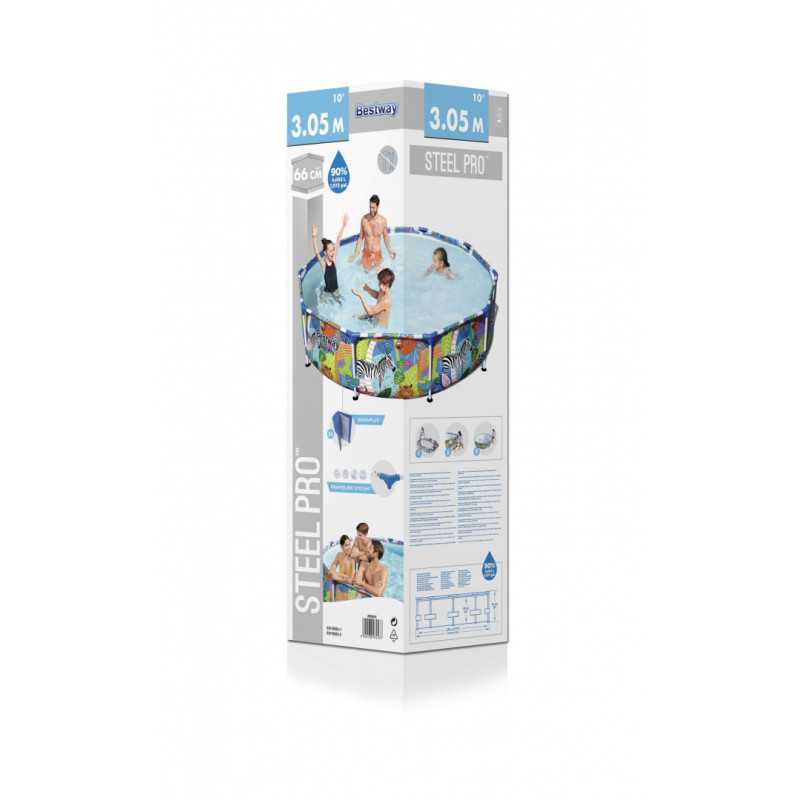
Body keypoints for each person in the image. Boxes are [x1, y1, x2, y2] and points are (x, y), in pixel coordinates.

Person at [349, 194, 395, 270]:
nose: (371, 210)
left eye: (373, 207)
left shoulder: (383, 221)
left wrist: (390, 251)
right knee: (365, 273)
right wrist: (355, 254)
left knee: (378, 274)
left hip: (377, 254)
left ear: (378, 206)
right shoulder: (364, 220)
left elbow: (385, 237)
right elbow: (360, 238)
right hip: (366, 253)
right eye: (370, 207)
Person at [311, 214, 348, 303]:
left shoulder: (334, 259)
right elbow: (317, 253)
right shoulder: (323, 264)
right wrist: (314, 237)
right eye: (331, 251)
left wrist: (343, 226)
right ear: (325, 253)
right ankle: (322, 293)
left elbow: (338, 240)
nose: (333, 252)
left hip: (336, 290)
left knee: (341, 303)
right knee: (324, 303)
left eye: (333, 250)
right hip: (327, 293)